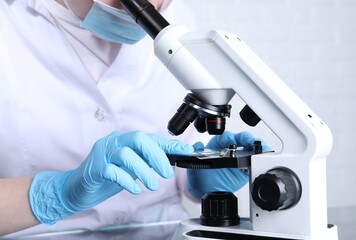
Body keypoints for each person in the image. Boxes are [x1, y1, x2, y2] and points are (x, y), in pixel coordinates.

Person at [0, 0, 269, 237]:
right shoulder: (8, 23)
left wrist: (201, 179)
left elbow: (184, 149)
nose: (149, 5)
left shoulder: (176, 16)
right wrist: (52, 195)